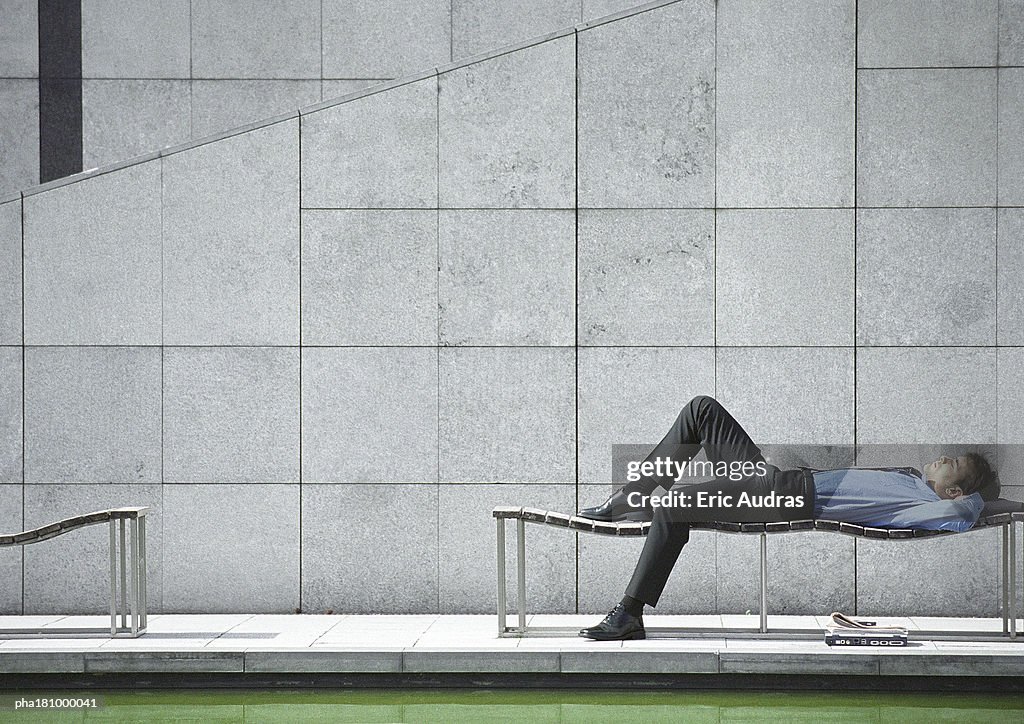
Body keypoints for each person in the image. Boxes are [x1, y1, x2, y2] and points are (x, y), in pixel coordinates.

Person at [577, 395, 999, 641]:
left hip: (786, 497)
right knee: (701, 409)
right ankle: (629, 497)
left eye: (954, 464)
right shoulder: (910, 479)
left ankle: (630, 612)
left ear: (956, 490)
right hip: (775, 481)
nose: (944, 457)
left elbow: (971, 511)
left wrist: (999, 502)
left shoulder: (931, 504)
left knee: (674, 506)